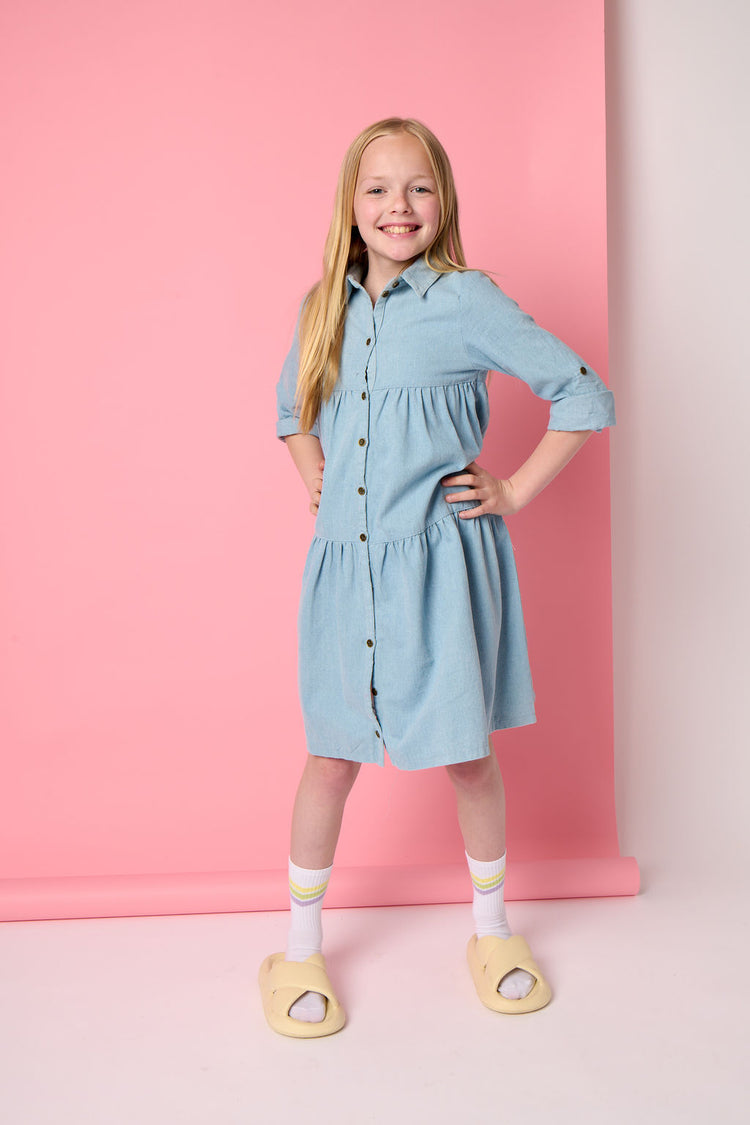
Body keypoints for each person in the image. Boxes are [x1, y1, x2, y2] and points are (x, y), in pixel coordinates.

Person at [258, 117, 615, 1038]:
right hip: (346, 573)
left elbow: (583, 392)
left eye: (418, 187)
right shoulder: (323, 307)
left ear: (443, 200)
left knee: (466, 752)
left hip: (439, 570)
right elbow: (294, 409)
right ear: (351, 203)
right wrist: (317, 476)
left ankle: (492, 932)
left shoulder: (467, 301)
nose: (399, 206)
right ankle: (299, 947)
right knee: (330, 755)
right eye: (378, 188)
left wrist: (513, 490)